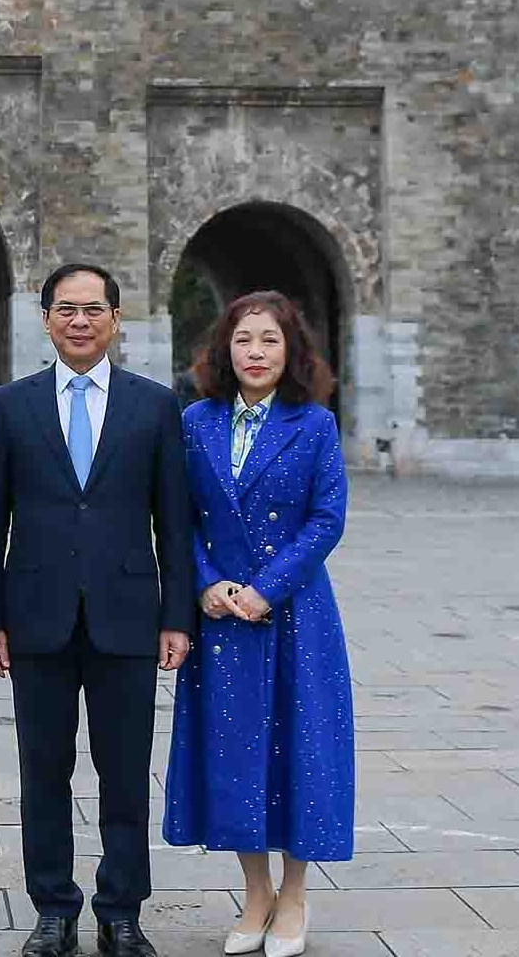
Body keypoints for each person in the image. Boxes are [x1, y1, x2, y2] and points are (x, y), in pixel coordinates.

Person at [0, 264, 194, 957]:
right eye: (66, 309)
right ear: (45, 319)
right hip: (36, 614)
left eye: (93, 309)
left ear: (116, 319)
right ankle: (54, 910)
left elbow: (173, 521)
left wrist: (177, 616)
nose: (79, 321)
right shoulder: (12, 404)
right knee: (44, 769)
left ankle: (121, 910)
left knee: (124, 772)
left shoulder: (155, 406)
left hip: (128, 614)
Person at [164, 291, 354, 957]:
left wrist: (267, 590)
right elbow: (176, 513)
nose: (255, 352)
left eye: (270, 340)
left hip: (296, 613)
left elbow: (327, 519)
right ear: (225, 348)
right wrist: (206, 581)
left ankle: (295, 894)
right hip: (220, 616)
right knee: (235, 752)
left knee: (301, 749)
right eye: (244, 339)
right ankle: (256, 896)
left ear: (291, 351)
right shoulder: (195, 421)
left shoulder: (316, 425)